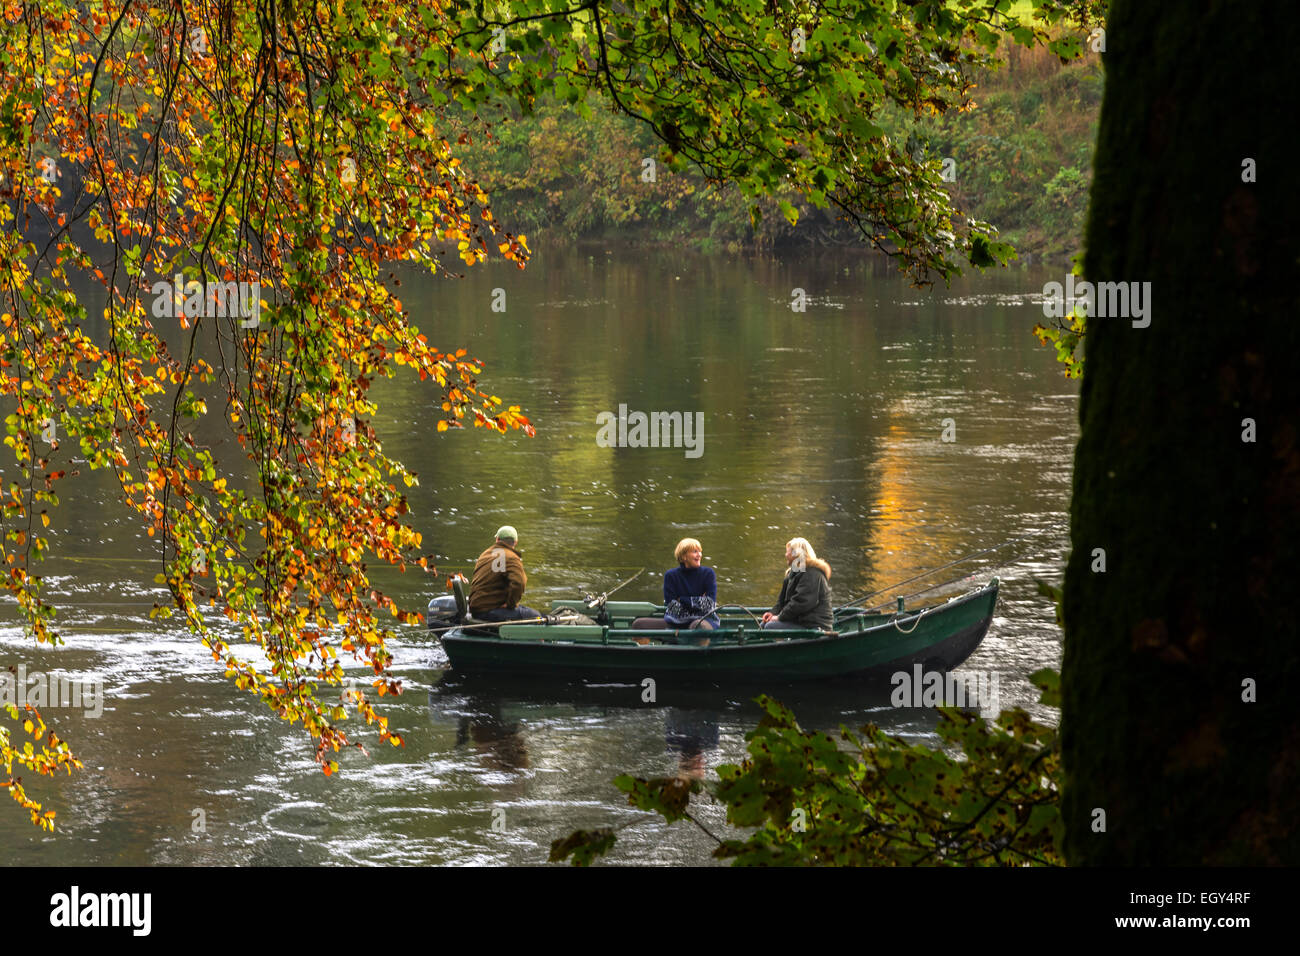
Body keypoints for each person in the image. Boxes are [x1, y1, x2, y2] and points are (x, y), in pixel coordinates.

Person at [632, 538, 721, 632]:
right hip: (676, 622)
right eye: (695, 551)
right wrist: (698, 603)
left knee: (697, 626)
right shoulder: (671, 575)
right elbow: (671, 606)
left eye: (700, 551)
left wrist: (682, 599)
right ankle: (644, 647)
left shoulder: (708, 573)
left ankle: (698, 645)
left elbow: (709, 604)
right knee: (639, 624)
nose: (699, 555)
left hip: (704, 620)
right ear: (684, 556)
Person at [468, 525, 542, 622]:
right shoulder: (511, 557)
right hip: (489, 611)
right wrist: (510, 604)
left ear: (497, 539)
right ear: (515, 542)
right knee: (537, 616)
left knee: (525, 610)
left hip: (476, 608)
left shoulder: (485, 554)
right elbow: (519, 582)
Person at [760, 537, 833, 631]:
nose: (785, 555)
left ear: (796, 554)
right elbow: (781, 602)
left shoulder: (812, 574)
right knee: (763, 624)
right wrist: (773, 613)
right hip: (798, 621)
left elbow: (801, 602)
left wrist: (780, 617)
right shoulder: (791, 574)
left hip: (813, 625)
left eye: (788, 552)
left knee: (770, 626)